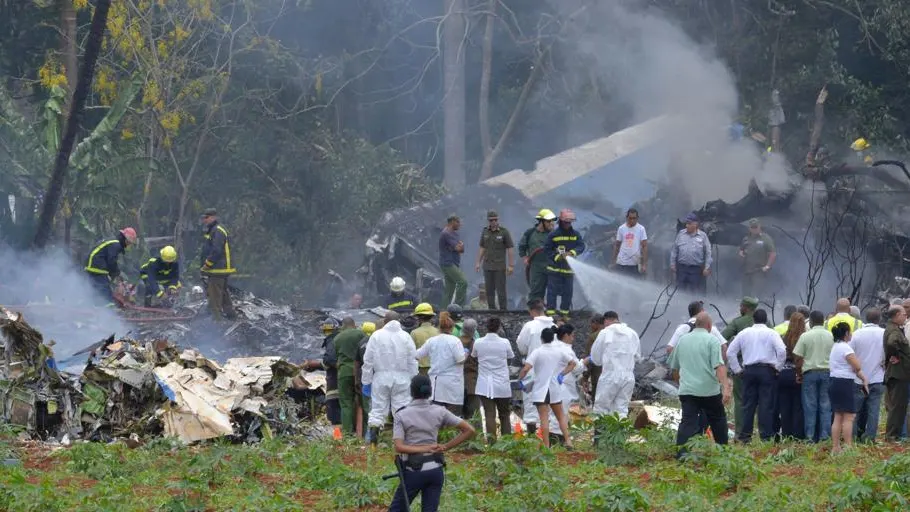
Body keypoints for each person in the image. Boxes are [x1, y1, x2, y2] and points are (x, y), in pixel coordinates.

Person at [388, 375, 476, 512]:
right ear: (430, 391)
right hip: (436, 470)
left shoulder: (401, 414)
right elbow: (469, 430)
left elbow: (399, 447)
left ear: (411, 391)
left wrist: (424, 448)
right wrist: (445, 447)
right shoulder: (439, 411)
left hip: (413, 471)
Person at [667, 312, 731, 458]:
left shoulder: (682, 340)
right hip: (709, 390)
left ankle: (682, 455)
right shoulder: (712, 340)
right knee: (718, 419)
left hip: (688, 390)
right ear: (709, 326)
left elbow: (675, 368)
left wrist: (680, 384)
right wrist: (725, 387)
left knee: (687, 422)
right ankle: (724, 452)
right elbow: (719, 366)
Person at [726, 309, 786, 443]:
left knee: (748, 404)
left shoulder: (744, 333)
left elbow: (730, 352)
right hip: (767, 371)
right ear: (766, 320)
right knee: (766, 404)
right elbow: (782, 350)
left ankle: (744, 437)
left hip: (749, 371)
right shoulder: (772, 333)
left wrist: (737, 370)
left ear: (753, 319)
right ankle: (766, 437)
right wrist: (778, 367)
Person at [361, 311, 419, 444]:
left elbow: (368, 360)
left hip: (380, 377)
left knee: (377, 409)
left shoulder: (376, 335)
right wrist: (413, 378)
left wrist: (366, 381)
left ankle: (374, 442)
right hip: (402, 378)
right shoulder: (405, 336)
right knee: (402, 409)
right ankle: (403, 442)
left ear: (385, 321)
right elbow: (412, 360)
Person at [517, 325, 578, 449]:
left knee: (544, 419)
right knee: (561, 416)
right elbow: (573, 363)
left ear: (541, 339)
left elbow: (526, 368)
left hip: (540, 390)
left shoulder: (537, 351)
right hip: (554, 388)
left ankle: (546, 445)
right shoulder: (559, 351)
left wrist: (520, 380)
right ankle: (568, 441)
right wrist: (562, 374)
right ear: (553, 338)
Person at [588, 311, 641, 418]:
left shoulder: (604, 333)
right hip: (628, 377)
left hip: (610, 376)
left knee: (601, 409)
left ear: (606, 321)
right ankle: (619, 434)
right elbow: (637, 356)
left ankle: (601, 434)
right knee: (621, 409)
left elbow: (595, 358)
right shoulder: (632, 333)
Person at [792, 310, 834, 443]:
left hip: (809, 374)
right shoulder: (831, 335)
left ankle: (810, 437)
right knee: (826, 406)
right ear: (823, 321)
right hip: (827, 373)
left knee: (810, 406)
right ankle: (824, 437)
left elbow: (798, 357)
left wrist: (799, 373)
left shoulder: (805, 336)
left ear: (810, 321)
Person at [515, 299, 555, 435]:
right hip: (552, 370)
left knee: (531, 402)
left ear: (532, 311)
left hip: (532, 369)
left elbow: (521, 347)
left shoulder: (530, 326)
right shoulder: (554, 326)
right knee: (550, 403)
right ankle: (549, 437)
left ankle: (532, 436)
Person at [472, 317, 514, 443]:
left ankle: (491, 444)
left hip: (485, 384)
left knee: (489, 414)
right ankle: (507, 443)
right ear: (499, 327)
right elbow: (510, 357)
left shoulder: (478, 342)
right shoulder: (505, 342)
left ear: (486, 327)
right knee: (504, 414)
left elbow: (474, 356)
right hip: (502, 384)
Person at [829, 322, 869, 454]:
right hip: (845, 384)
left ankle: (835, 447)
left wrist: (863, 378)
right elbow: (857, 366)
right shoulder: (846, 348)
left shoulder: (835, 347)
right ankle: (848, 446)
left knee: (838, 416)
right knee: (849, 417)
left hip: (834, 382)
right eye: (850, 332)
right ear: (846, 333)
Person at [415, 312, 466, 416]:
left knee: (436, 417)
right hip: (453, 384)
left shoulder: (431, 341)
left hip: (436, 384)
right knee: (453, 417)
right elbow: (460, 360)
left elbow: (417, 355)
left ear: (439, 327)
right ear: (451, 328)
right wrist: (467, 354)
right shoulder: (455, 341)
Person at [721, 296, 758, 439]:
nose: (740, 308)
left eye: (741, 306)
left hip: (742, 367)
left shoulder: (738, 322)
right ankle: (762, 433)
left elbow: (722, 337)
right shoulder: (765, 321)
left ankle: (740, 433)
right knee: (761, 401)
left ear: (746, 307)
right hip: (763, 368)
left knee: (741, 400)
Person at [849, 308, 885, 442]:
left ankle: (852, 437)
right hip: (877, 377)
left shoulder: (856, 334)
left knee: (855, 410)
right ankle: (870, 438)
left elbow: (849, 354)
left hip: (858, 378)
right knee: (873, 410)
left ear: (865, 318)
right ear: (879, 319)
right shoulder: (884, 333)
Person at [544, 209, 585, 317]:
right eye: (566, 222)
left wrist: (572, 252)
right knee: (552, 293)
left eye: (570, 222)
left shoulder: (575, 234)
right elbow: (547, 250)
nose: (568, 224)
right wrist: (558, 257)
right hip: (555, 270)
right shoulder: (553, 234)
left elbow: (581, 246)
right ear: (561, 221)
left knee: (567, 293)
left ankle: (564, 315)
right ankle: (550, 315)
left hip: (568, 270)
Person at [303, 319, 342, 428]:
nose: (327, 333)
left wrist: (315, 365)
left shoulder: (332, 340)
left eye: (329, 330)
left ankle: (338, 441)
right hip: (345, 383)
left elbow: (329, 360)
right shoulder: (343, 340)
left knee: (334, 415)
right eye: (326, 331)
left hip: (335, 384)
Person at [84, 227, 138, 304]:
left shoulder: (113, 242)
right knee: (104, 287)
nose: (128, 245)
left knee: (93, 287)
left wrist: (114, 274)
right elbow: (111, 261)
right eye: (129, 243)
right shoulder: (116, 245)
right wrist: (116, 273)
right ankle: (108, 308)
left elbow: (111, 261)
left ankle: (91, 304)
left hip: (92, 263)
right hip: (97, 264)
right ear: (125, 240)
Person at [200, 208, 236, 320]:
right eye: (203, 218)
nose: (204, 220)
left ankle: (216, 321)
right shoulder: (214, 230)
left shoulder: (217, 230)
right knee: (223, 292)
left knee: (214, 296)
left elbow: (216, 250)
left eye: (206, 217)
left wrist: (207, 264)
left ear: (213, 217)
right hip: (220, 268)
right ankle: (230, 315)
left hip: (218, 268)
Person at [475, 210, 514, 310]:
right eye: (491, 220)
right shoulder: (485, 231)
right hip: (487, 266)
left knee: (501, 290)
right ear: (488, 220)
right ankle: (492, 310)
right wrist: (478, 262)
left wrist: (511, 265)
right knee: (489, 290)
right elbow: (482, 247)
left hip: (499, 266)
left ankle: (503, 310)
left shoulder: (504, 232)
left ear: (498, 220)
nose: (493, 222)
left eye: (495, 220)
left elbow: (510, 248)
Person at [334, 317, 366, 435]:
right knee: (364, 403)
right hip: (360, 373)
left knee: (346, 403)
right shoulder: (360, 334)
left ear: (343, 325)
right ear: (354, 324)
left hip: (344, 373)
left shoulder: (337, 338)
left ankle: (348, 434)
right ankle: (365, 433)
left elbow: (337, 357)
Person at [777, 312, 806, 440]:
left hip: (783, 374)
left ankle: (786, 434)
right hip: (797, 374)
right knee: (798, 406)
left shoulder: (783, 337)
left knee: (784, 406)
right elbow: (801, 358)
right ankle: (798, 435)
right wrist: (800, 374)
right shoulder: (804, 338)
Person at [519, 209, 557, 303]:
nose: (551, 223)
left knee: (552, 291)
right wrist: (525, 258)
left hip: (551, 266)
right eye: (549, 221)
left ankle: (550, 312)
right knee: (536, 292)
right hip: (536, 267)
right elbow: (522, 246)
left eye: (552, 221)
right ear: (541, 222)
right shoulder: (530, 233)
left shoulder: (554, 234)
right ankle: (535, 312)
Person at [884, 305, 910, 440]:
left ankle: (895, 434)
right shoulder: (894, 331)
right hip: (898, 373)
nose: (905, 317)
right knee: (897, 406)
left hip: (898, 373)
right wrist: (896, 356)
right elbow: (891, 343)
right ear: (897, 315)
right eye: (903, 314)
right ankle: (892, 436)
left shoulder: (893, 328)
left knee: (898, 405)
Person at [670, 213, 712, 294]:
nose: (687, 225)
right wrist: (672, 264)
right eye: (686, 223)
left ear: (695, 224)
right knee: (680, 291)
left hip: (695, 270)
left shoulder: (703, 236)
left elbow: (708, 253)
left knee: (695, 292)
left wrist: (707, 267)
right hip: (682, 269)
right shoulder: (681, 234)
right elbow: (674, 250)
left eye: (689, 223)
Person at [738, 218, 776, 300]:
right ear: (749, 228)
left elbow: (772, 254)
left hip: (759, 271)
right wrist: (741, 254)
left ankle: (759, 311)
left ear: (759, 227)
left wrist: (767, 266)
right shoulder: (746, 239)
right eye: (752, 227)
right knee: (746, 295)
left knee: (757, 295)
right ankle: (746, 311)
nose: (755, 229)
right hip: (747, 270)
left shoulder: (766, 238)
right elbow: (741, 250)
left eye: (756, 227)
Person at [354, 321, 377, 436]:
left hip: (365, 378)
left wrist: (356, 380)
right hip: (378, 377)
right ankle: (377, 433)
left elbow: (357, 363)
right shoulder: (378, 341)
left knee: (366, 407)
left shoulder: (360, 343)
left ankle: (366, 435)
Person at [611, 208, 648, 277]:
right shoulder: (621, 228)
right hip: (621, 262)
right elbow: (617, 245)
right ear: (627, 218)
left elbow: (644, 246)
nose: (632, 220)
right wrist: (613, 261)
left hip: (634, 264)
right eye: (630, 218)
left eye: (634, 218)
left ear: (637, 218)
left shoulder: (641, 229)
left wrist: (644, 264)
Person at [439, 215, 467, 306]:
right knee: (463, 282)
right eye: (458, 222)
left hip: (453, 263)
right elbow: (459, 248)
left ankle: (444, 310)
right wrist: (460, 247)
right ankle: (459, 306)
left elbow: (461, 250)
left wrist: (461, 247)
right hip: (448, 263)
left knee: (449, 290)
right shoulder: (446, 233)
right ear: (452, 222)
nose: (460, 224)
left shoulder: (454, 234)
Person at [459, 319, 481, 426]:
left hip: (457, 382)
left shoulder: (456, 342)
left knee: (458, 415)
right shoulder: (476, 344)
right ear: (474, 330)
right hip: (472, 383)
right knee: (475, 416)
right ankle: (476, 439)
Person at [410, 303, 439, 377]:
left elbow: (411, 353)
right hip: (436, 369)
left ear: (419, 318)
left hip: (420, 370)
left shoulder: (414, 333)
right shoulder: (438, 332)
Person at [583, 314, 605, 400]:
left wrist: (585, 376)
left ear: (596, 323)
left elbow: (590, 358)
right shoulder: (612, 334)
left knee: (597, 401)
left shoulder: (594, 336)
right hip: (613, 374)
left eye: (591, 324)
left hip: (598, 373)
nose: (590, 327)